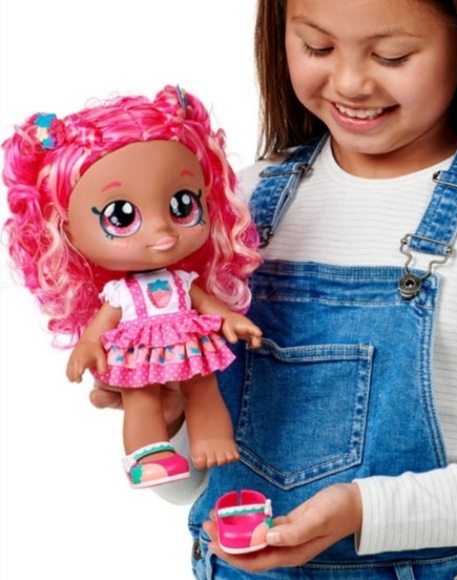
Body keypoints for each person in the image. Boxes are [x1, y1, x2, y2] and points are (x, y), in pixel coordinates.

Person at [91, 0, 457, 578]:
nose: (350, 82)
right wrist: (171, 416)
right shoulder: (240, 208)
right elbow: (194, 488)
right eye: (317, 47)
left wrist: (365, 512)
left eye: (391, 55)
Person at [2, 86, 262, 489]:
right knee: (141, 397)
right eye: (121, 216)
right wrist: (88, 346)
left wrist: (230, 319)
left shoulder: (184, 282)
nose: (162, 230)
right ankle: (148, 455)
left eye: (182, 205)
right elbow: (100, 326)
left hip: (188, 340)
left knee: (203, 385)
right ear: (68, 232)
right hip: (138, 348)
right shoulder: (120, 294)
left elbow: (207, 305)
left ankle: (212, 436)